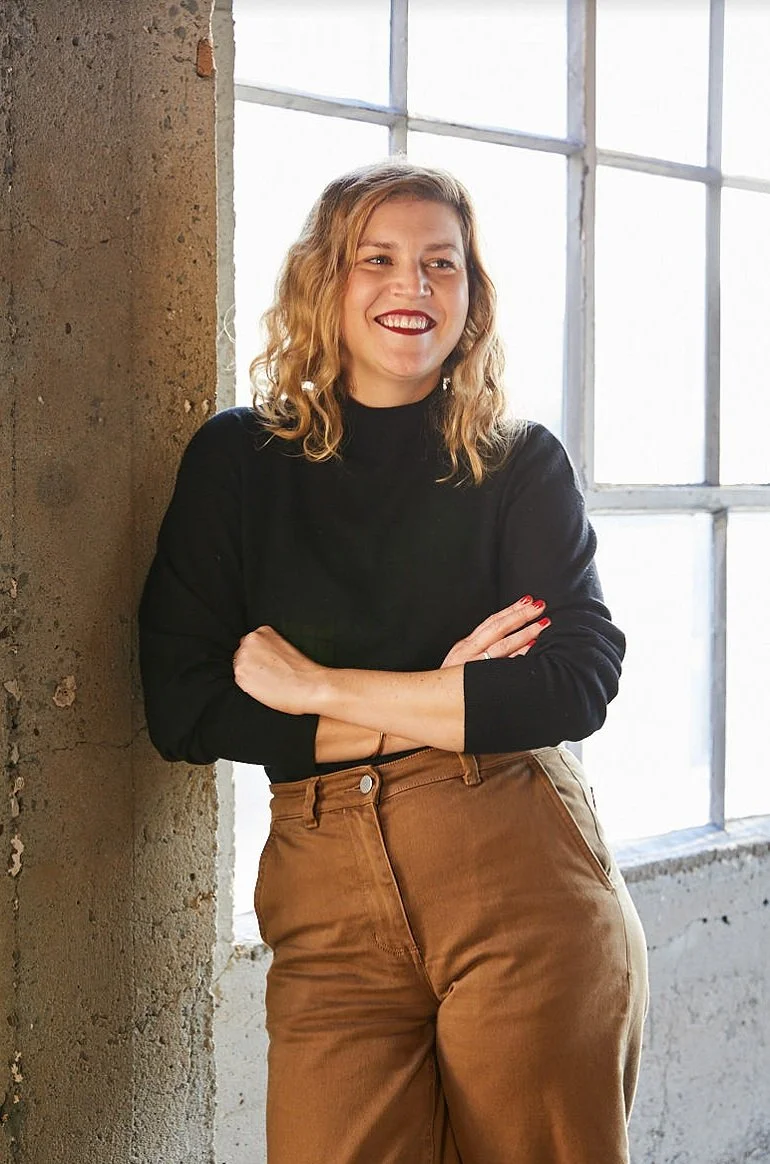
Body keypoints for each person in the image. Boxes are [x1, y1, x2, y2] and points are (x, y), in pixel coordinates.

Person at [139, 159, 649, 1164]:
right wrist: (444, 695)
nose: (411, 285)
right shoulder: (237, 462)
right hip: (323, 892)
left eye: (439, 263)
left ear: (470, 292)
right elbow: (184, 707)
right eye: (376, 259)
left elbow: (574, 682)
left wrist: (316, 688)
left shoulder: (518, 462)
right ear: (325, 281)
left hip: (514, 865)